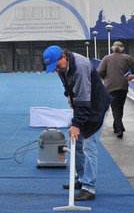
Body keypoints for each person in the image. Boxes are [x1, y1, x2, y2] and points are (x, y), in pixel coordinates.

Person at [43, 45, 112, 201]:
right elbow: (67, 84)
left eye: (57, 65)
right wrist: (69, 94)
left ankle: (89, 188)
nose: (55, 69)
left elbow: (83, 101)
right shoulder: (63, 68)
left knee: (89, 145)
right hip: (85, 105)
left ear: (63, 57)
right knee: (75, 142)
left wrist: (76, 125)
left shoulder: (80, 67)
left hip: (97, 107)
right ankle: (81, 179)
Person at [97, 41, 134, 138]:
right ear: (122, 48)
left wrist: (106, 78)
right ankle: (117, 127)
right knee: (120, 107)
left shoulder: (107, 58)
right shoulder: (127, 58)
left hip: (110, 86)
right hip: (123, 86)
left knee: (115, 108)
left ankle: (119, 128)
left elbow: (100, 72)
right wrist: (128, 75)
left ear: (112, 48)